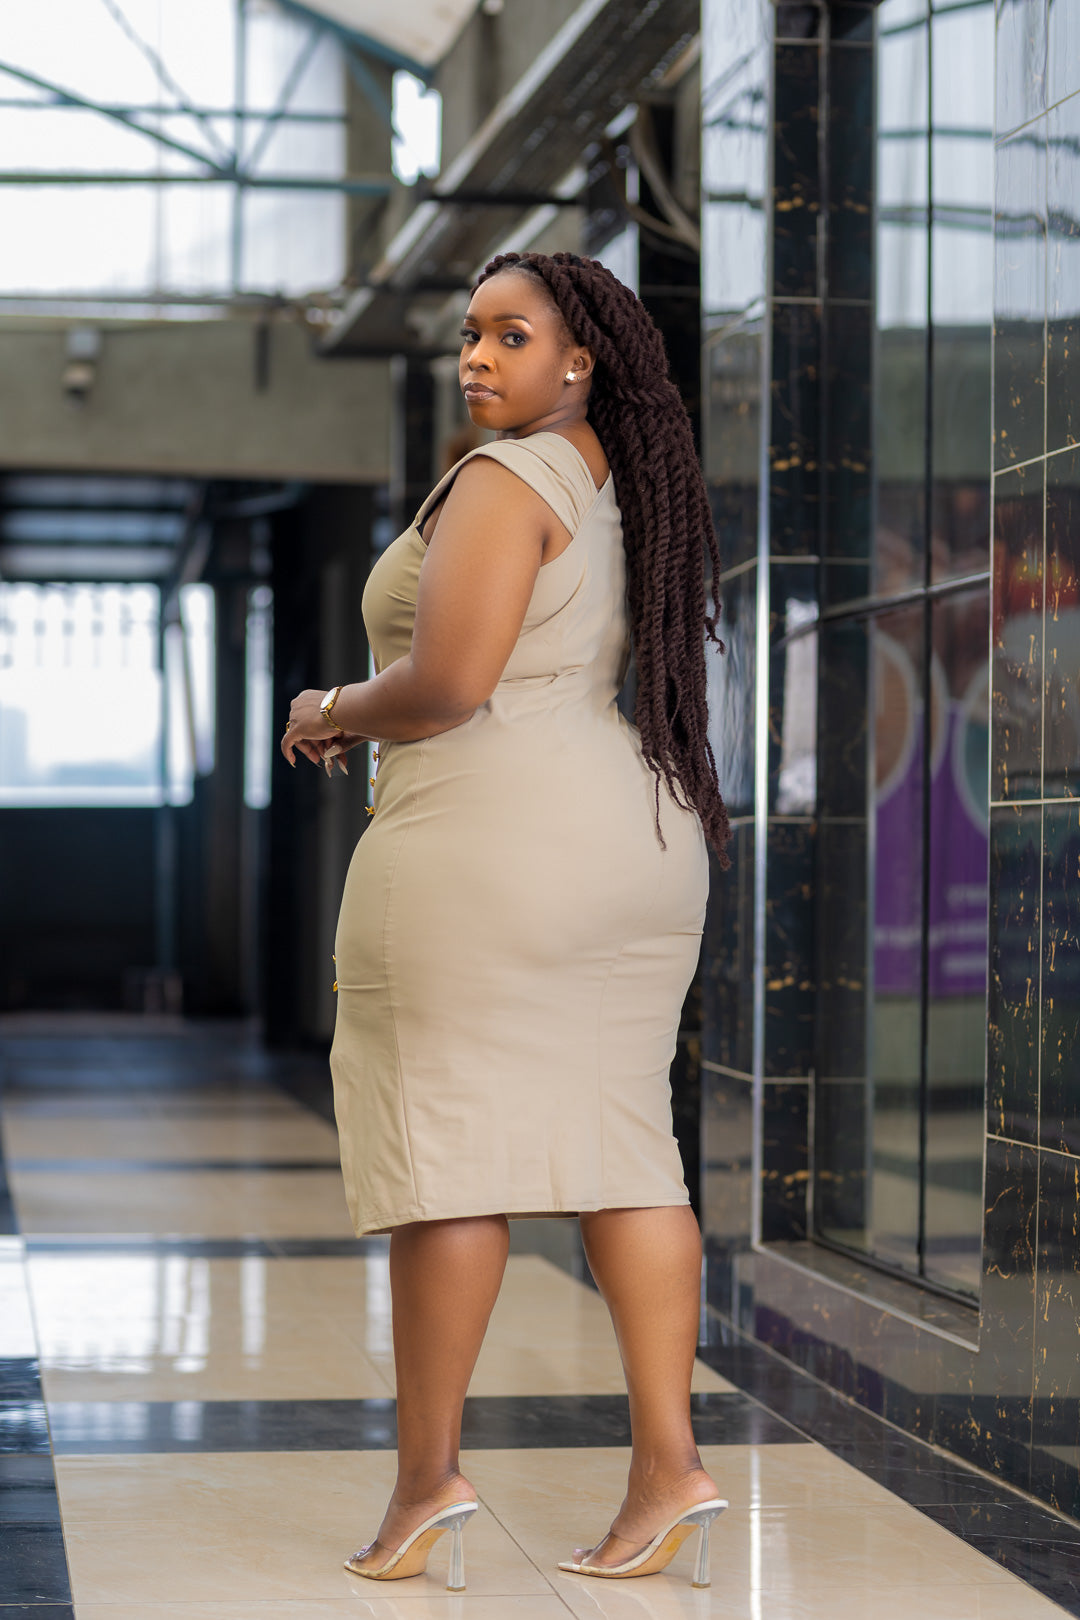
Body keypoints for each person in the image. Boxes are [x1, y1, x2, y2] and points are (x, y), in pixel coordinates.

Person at [281, 250, 731, 1591]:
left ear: (580, 358)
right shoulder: (624, 479)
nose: (477, 356)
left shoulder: (503, 478)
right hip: (635, 836)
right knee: (628, 1152)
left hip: (493, 847)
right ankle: (670, 1469)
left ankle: (427, 1483)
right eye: (470, 334)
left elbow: (450, 684)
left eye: (510, 335)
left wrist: (330, 710)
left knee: (451, 1160)